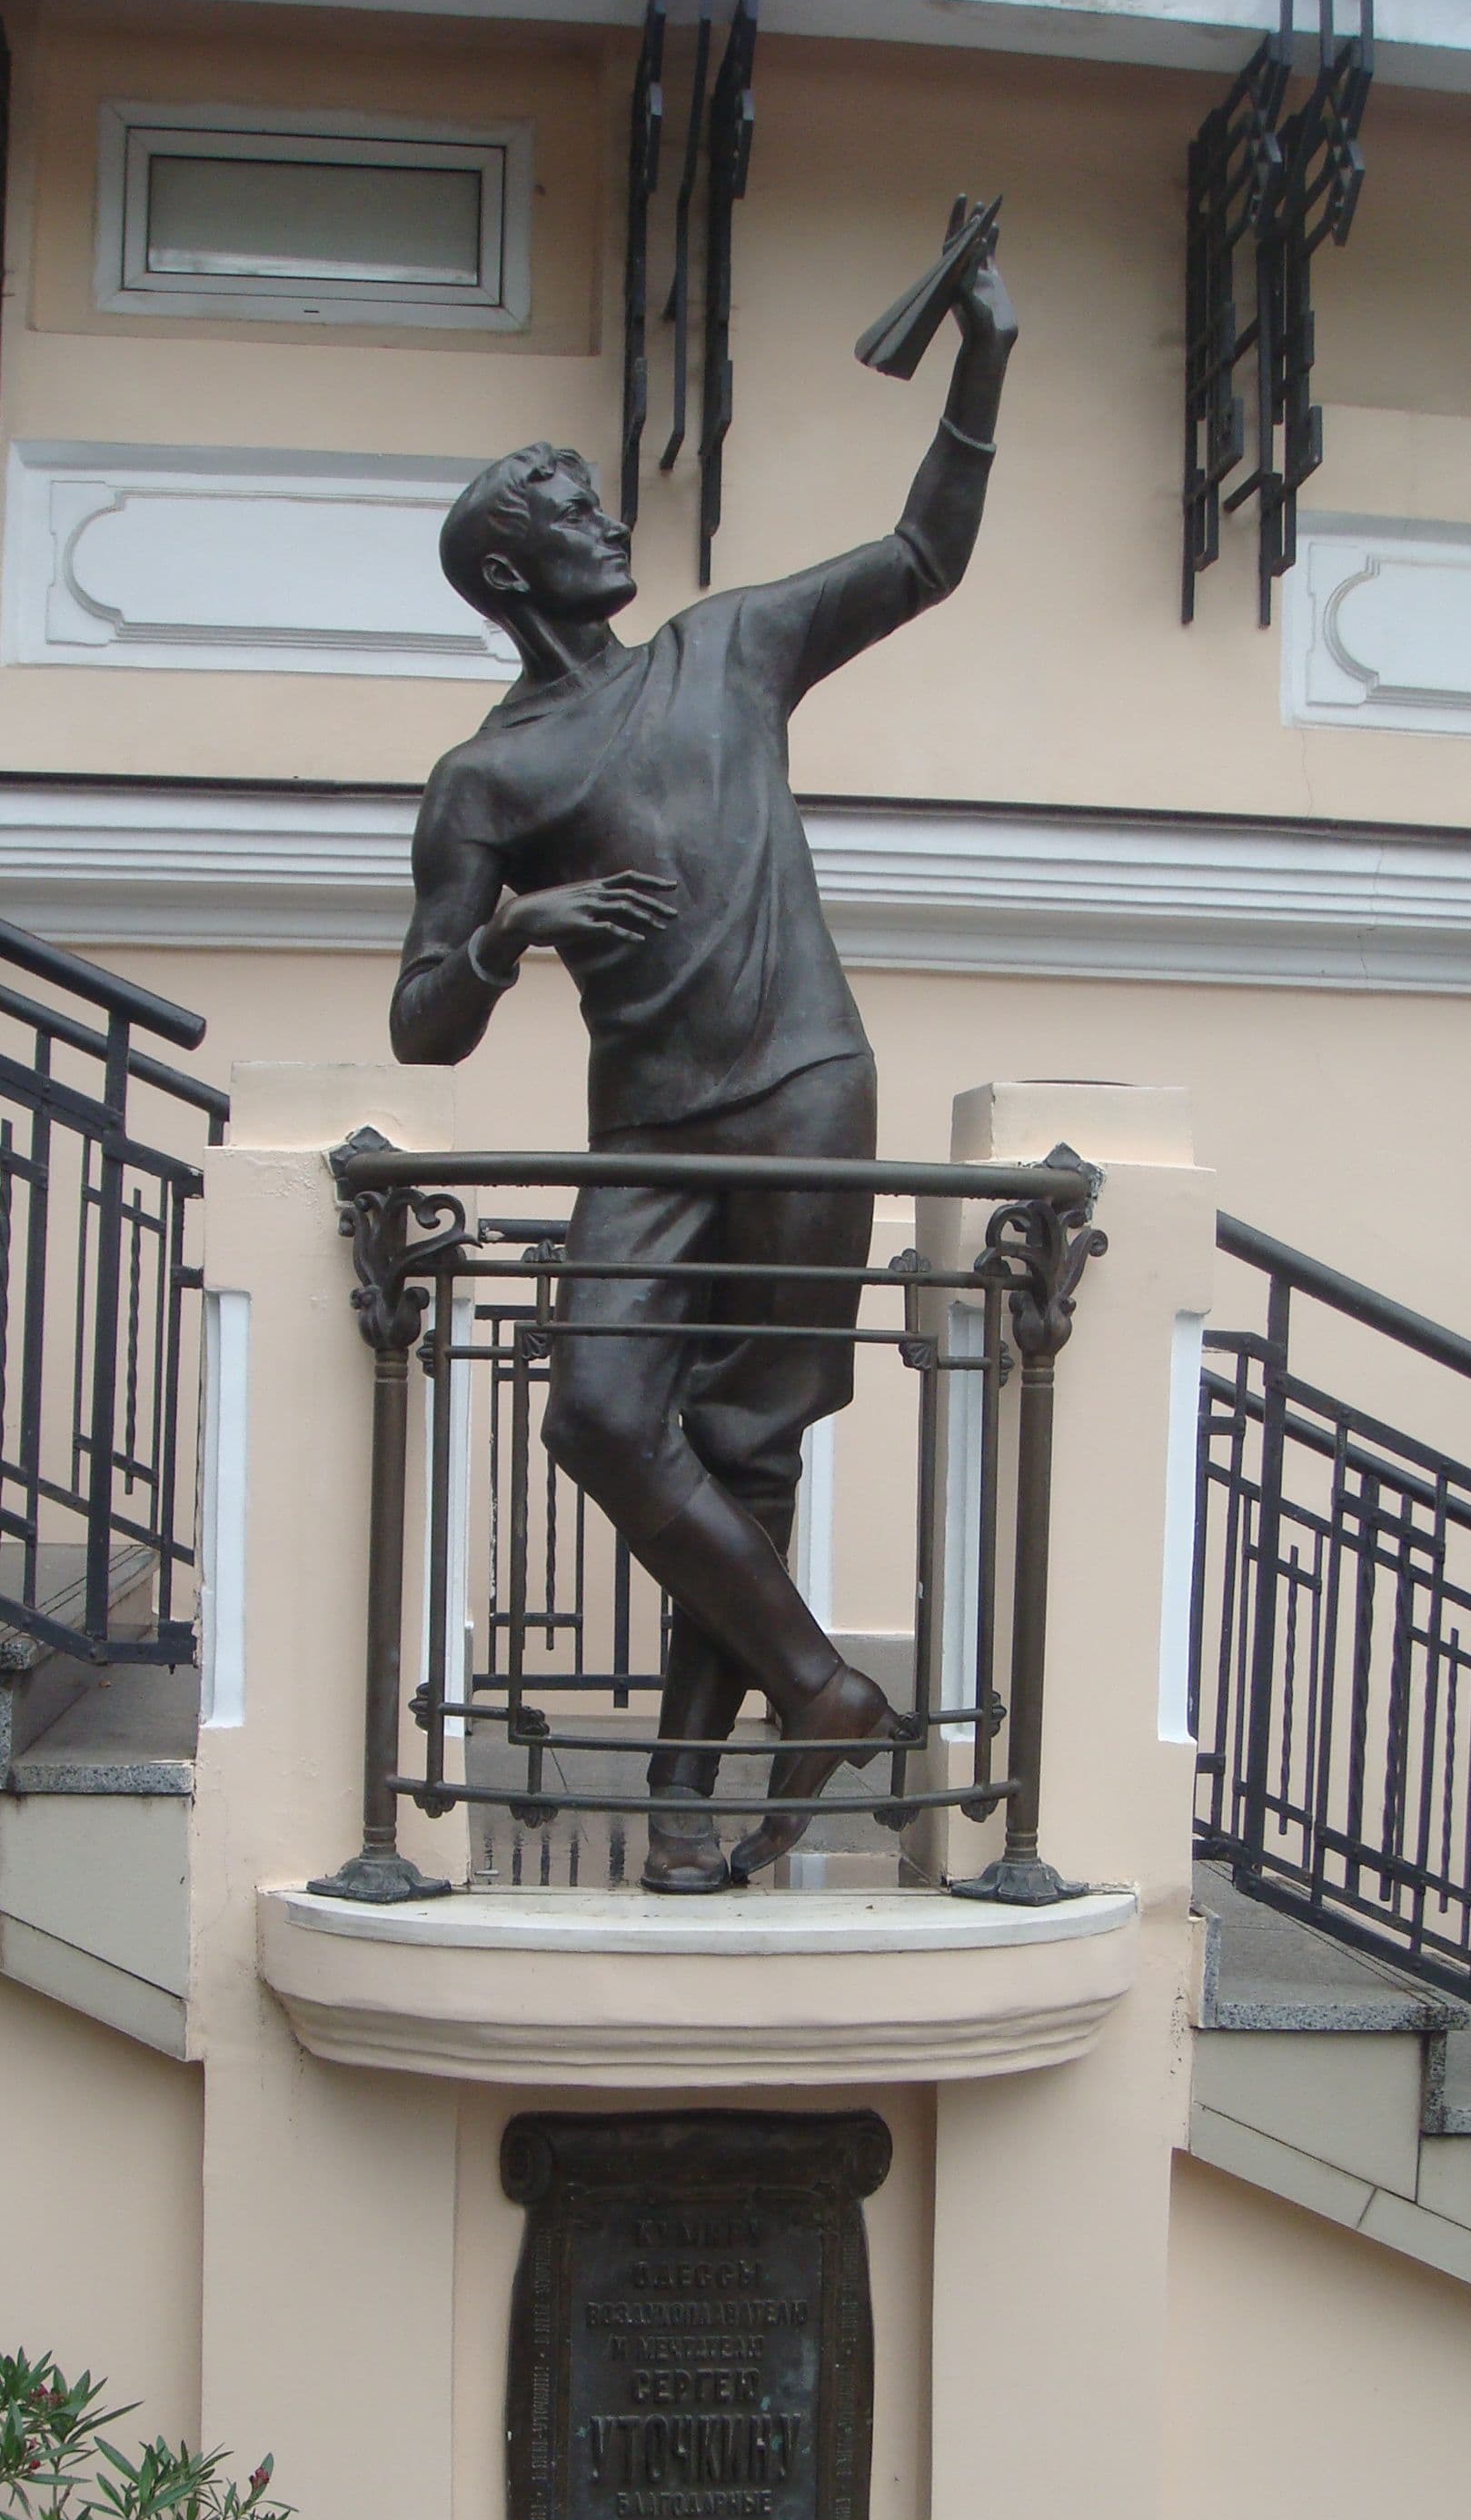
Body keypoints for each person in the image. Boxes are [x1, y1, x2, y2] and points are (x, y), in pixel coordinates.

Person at [391, 223, 1016, 1890]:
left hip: (806, 1082)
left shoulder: (728, 648)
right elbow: (420, 1028)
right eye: (571, 516)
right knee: (600, 1415)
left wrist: (987, 355)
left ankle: (690, 1792)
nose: (609, 525)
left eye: (598, 502)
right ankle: (820, 1684)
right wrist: (513, 935)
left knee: (749, 1446)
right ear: (508, 577)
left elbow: (922, 555)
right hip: (649, 1131)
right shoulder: (485, 780)